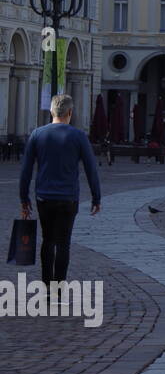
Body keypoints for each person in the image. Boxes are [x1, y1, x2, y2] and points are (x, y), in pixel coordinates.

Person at [19, 95, 102, 292]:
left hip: (44, 197)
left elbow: (26, 169)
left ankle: (47, 288)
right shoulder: (79, 136)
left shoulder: (37, 134)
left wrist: (24, 198)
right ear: (70, 113)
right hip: (68, 198)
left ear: (51, 112)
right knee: (64, 243)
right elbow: (91, 169)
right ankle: (58, 289)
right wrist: (96, 197)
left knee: (47, 240)